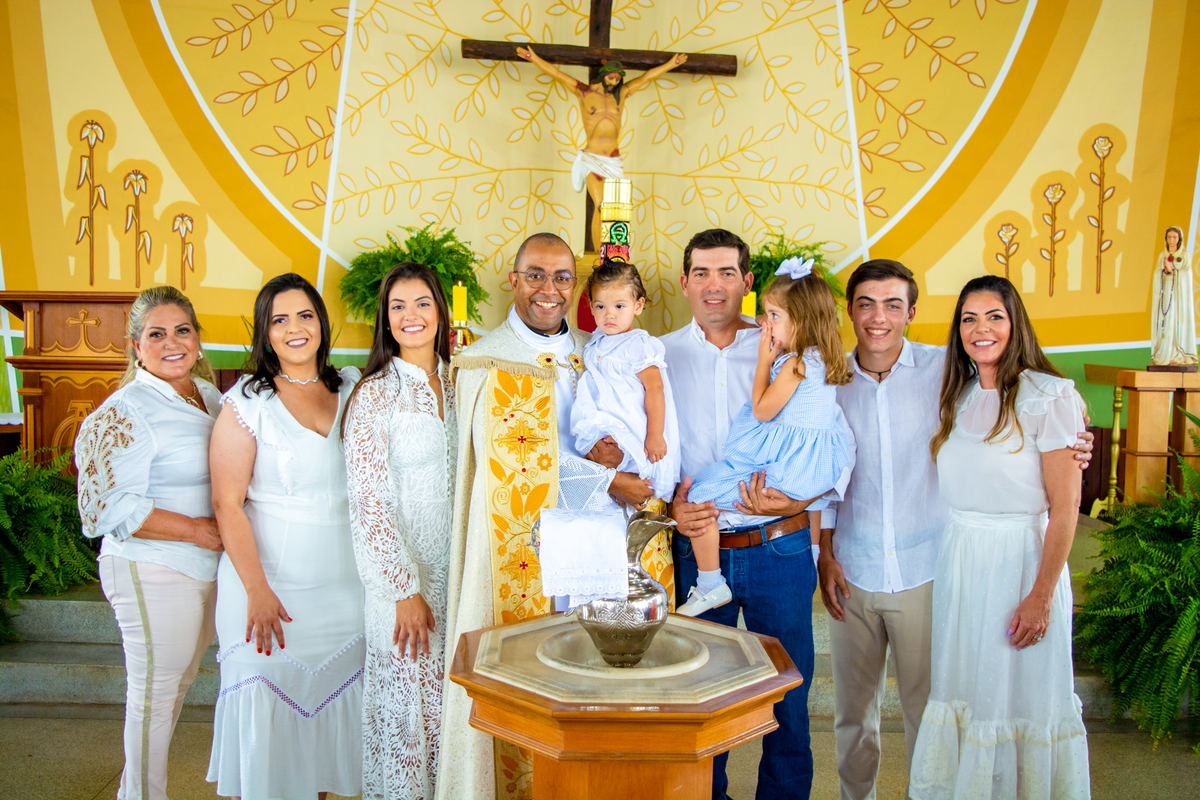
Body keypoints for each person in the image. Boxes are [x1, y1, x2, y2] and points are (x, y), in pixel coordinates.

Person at [438, 232, 673, 800]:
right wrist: (607, 479)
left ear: (578, 287)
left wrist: (643, 475)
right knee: (541, 694)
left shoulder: (604, 348)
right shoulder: (486, 362)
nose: (549, 289)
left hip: (610, 544)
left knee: (606, 693)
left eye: (563, 277)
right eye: (536, 275)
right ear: (513, 280)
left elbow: (653, 420)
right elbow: (510, 471)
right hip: (532, 554)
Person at [908, 275, 1091, 799]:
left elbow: (1066, 509)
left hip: (1021, 562)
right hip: (963, 562)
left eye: (994, 317)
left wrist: (1040, 596)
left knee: (1022, 698)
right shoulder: (960, 394)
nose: (980, 328)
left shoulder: (1049, 396)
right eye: (969, 319)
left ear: (1015, 324)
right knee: (968, 693)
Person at [664, 228, 829, 799]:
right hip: (698, 549)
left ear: (748, 282)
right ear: (684, 282)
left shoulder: (784, 349)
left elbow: (827, 434)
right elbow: (648, 446)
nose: (714, 285)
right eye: (702, 273)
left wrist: (801, 502)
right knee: (700, 702)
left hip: (776, 545)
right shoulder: (658, 353)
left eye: (727, 273)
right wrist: (671, 504)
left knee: (788, 699)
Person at [206, 273, 364, 800]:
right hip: (268, 591)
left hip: (344, 596)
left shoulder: (353, 387)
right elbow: (227, 504)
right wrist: (257, 591)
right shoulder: (246, 403)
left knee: (320, 750)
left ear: (321, 323)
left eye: (305, 315)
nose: (295, 328)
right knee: (266, 742)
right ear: (265, 333)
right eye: (280, 319)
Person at [75, 286, 223, 800]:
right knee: (154, 698)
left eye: (182, 330)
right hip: (151, 566)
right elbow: (104, 508)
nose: (172, 343)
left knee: (176, 686)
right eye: (156, 334)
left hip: (204, 566)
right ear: (137, 347)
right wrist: (198, 530)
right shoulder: (126, 409)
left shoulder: (208, 396)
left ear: (197, 339)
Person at [679, 257, 854, 618]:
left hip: (785, 475)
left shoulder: (795, 363)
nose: (765, 323)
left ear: (801, 320)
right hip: (805, 467)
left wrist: (763, 360)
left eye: (774, 315)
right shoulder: (819, 359)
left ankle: (710, 583)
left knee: (700, 495)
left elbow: (761, 410)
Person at [343, 263, 457, 800]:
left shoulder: (462, 383)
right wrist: (403, 589)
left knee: (452, 712)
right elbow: (369, 501)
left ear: (441, 312)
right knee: (410, 714)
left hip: (457, 577)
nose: (411, 316)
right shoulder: (374, 395)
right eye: (398, 306)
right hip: (403, 586)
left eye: (422, 303)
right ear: (385, 320)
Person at [514, 46, 687, 247]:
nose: (614, 82)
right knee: (601, 206)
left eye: (617, 79)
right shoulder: (584, 92)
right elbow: (557, 74)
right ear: (603, 75)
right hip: (593, 159)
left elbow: (646, 77)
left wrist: (671, 64)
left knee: (616, 209)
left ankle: (613, 252)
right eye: (611, 77)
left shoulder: (622, 93)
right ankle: (598, 255)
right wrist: (533, 57)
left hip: (614, 161)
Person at [571, 258, 680, 504]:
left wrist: (655, 434)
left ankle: (637, 485)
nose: (609, 314)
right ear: (590, 306)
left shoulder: (638, 345)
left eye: (619, 306)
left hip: (633, 419)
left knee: (636, 462)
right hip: (607, 415)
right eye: (600, 306)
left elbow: (655, 388)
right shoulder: (597, 340)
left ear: (638, 305)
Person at [1150, 225, 1196, 366]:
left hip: (1178, 299)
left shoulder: (1184, 256)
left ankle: (1177, 353)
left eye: (1174, 237)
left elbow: (1187, 275)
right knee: (1165, 322)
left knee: (1175, 322)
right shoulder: (1162, 256)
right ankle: (1164, 353)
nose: (1171, 240)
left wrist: (1174, 271)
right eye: (1169, 237)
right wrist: (1164, 271)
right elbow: (1157, 273)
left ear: (1179, 239)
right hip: (1166, 296)